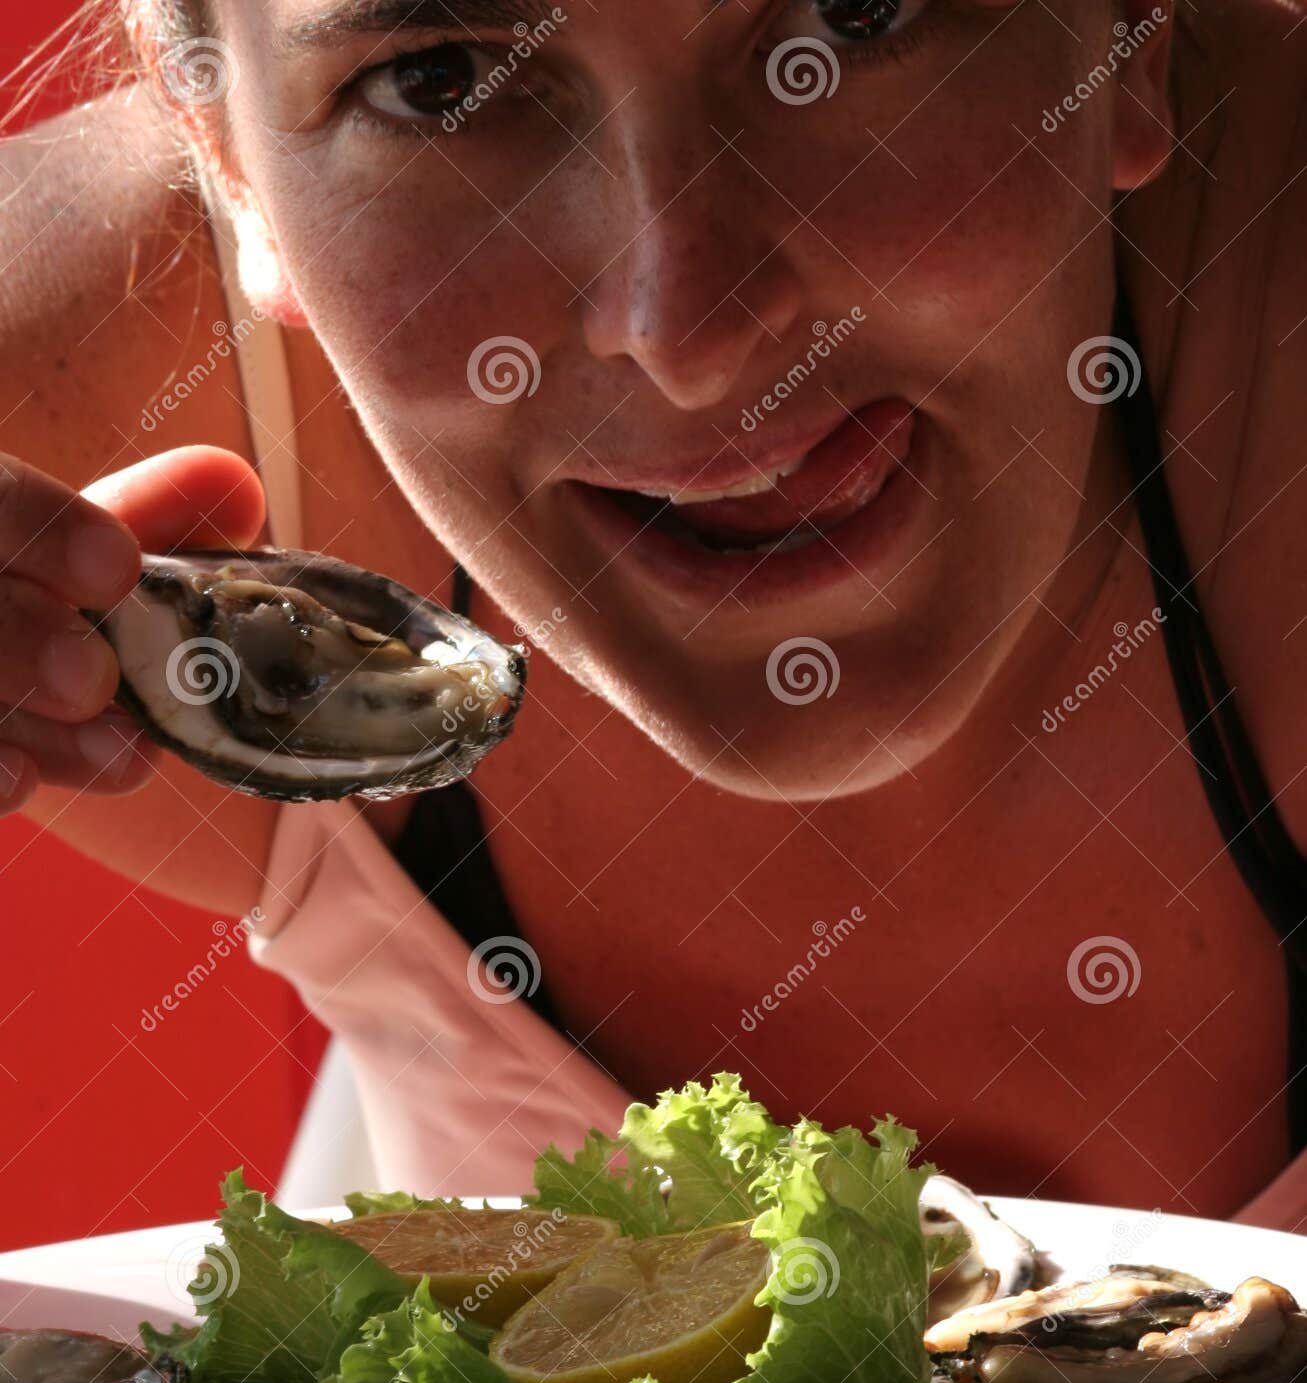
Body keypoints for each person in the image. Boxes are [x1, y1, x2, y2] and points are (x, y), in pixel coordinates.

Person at [1, 1, 1303, 1222]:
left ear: (1133, 31)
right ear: (221, 155)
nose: (689, 324)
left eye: (855, 11)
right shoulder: (125, 386)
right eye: (441, 81)